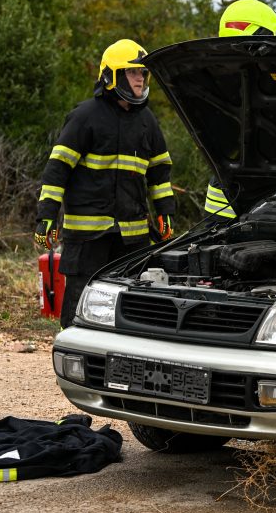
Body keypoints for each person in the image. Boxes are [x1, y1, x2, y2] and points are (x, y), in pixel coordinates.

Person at [35, 39, 176, 327]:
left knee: (130, 310)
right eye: (133, 72)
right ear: (112, 76)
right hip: (88, 238)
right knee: (79, 309)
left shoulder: (148, 121)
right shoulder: (85, 116)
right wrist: (46, 216)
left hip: (132, 238)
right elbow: (57, 169)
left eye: (143, 74)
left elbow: (160, 173)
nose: (140, 79)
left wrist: (165, 212)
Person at [203, 0, 276, 221]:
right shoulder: (271, 86)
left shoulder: (209, 82)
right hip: (238, 208)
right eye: (275, 39)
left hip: (251, 204)